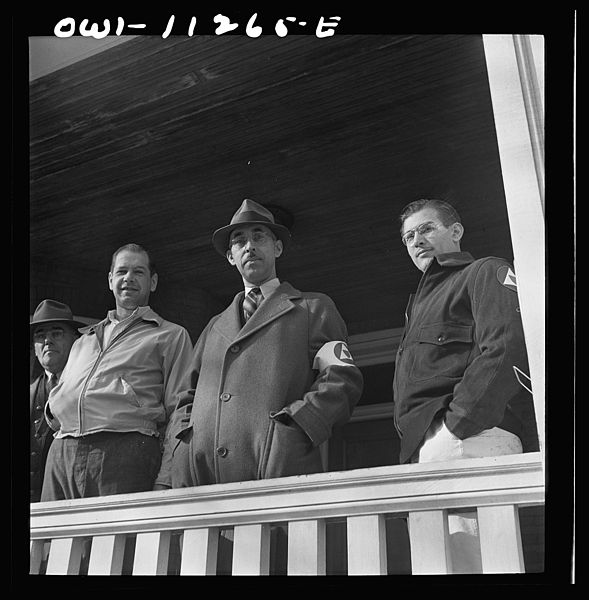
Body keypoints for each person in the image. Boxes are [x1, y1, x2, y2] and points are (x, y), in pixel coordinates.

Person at [161, 199, 363, 490]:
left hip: (277, 474)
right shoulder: (214, 326)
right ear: (231, 257)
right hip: (203, 483)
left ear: (277, 248)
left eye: (259, 237)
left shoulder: (313, 308)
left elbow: (341, 379)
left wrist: (296, 429)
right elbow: (185, 397)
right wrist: (185, 445)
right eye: (239, 241)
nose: (249, 246)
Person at [392, 198, 538, 574]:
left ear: (455, 231)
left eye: (426, 229)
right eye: (409, 236)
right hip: (429, 451)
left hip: (470, 439)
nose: (416, 241)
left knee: (480, 567)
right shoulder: (418, 308)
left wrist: (455, 426)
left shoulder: (485, 271)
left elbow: (506, 347)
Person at [41, 243, 194, 501]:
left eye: (139, 272)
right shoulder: (84, 339)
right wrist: (53, 407)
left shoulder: (169, 335)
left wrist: (166, 477)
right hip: (61, 452)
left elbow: (181, 410)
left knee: (115, 540)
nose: (129, 279)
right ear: (111, 280)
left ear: (153, 282)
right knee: (50, 540)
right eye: (122, 272)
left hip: (124, 451)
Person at [30, 299, 84, 502]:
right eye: (40, 335)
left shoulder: (89, 388)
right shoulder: (30, 391)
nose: (47, 341)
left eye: (56, 333)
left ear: (75, 340)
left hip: (71, 501)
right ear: (34, 349)